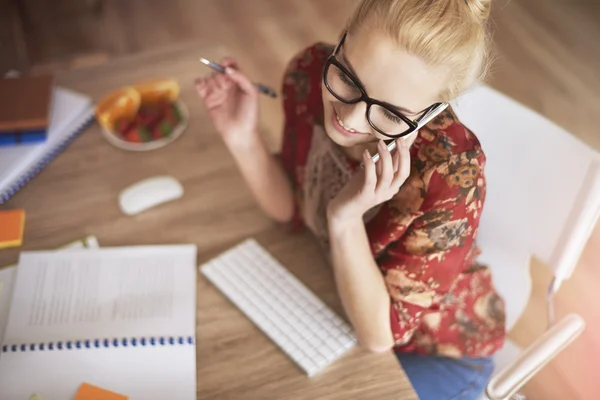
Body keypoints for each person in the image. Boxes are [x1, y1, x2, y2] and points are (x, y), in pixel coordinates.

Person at [195, 0, 506, 398]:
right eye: (348, 79)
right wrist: (242, 139)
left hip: (438, 352)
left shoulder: (452, 175)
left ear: (431, 113)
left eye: (392, 115)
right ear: (342, 39)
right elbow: (291, 210)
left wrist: (345, 218)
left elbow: (379, 335)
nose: (350, 120)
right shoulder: (309, 74)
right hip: (337, 301)